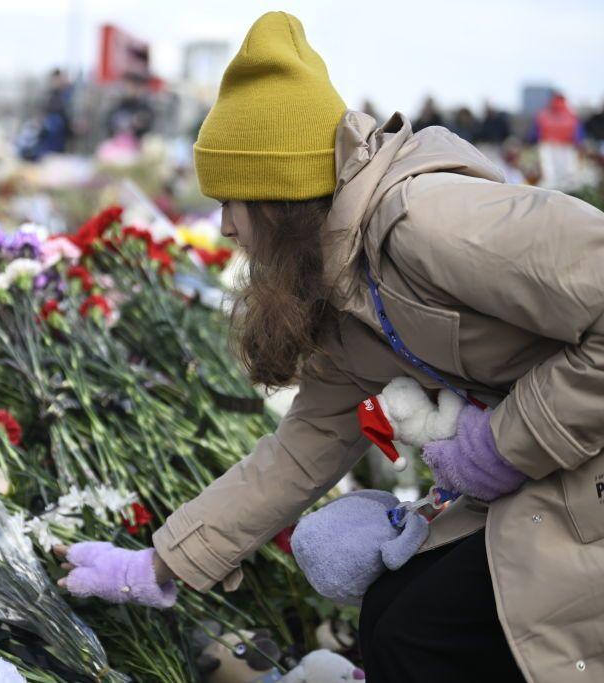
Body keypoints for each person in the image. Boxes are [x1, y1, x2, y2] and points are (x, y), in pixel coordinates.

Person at [56, 12, 604, 683]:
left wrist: (505, 442)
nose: (224, 226)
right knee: (388, 617)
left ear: (284, 198)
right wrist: (159, 563)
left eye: (234, 200)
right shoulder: (345, 285)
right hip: (551, 474)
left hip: (579, 464)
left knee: (418, 635)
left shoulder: (426, 224)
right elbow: (305, 443)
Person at [530, 92, 583, 190]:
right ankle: (569, 194)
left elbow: (535, 133)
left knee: (550, 176)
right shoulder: (571, 114)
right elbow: (578, 134)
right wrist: (578, 144)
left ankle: (550, 195)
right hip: (565, 147)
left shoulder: (543, 114)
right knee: (568, 176)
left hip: (550, 146)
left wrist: (531, 142)